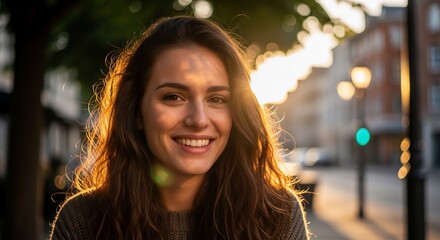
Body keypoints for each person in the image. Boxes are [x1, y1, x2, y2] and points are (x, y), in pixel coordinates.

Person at [50, 15, 310, 240]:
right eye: (173, 97)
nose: (198, 119)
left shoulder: (279, 217)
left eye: (217, 99)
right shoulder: (82, 221)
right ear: (136, 111)